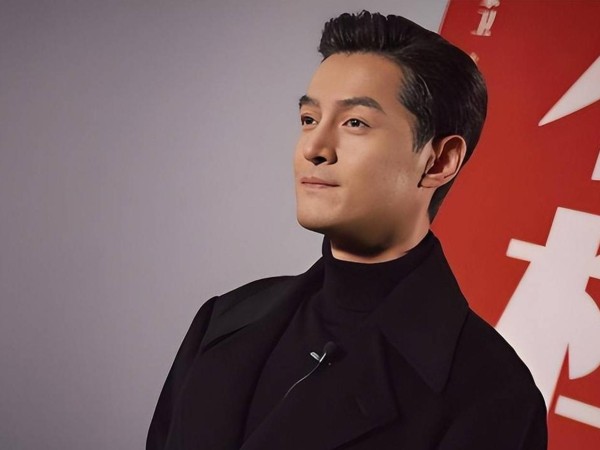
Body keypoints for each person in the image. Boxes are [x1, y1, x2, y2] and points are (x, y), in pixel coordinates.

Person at [147, 11, 547, 450]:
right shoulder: (224, 317)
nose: (314, 148)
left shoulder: (493, 394)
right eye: (308, 119)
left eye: (355, 122)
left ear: (439, 161)